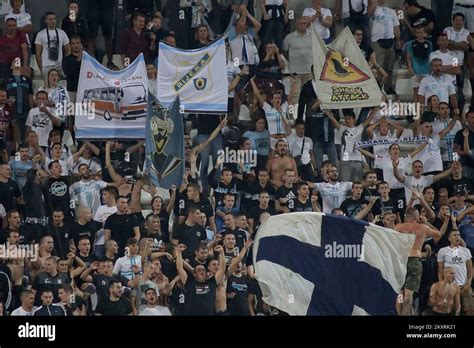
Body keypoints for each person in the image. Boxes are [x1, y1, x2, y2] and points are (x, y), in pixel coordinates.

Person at [395, 208, 441, 316]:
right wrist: (425, 222)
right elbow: (438, 233)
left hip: (401, 261)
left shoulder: (398, 227)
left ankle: (400, 313)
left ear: (406, 217)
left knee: (401, 292)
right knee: (409, 293)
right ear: (417, 217)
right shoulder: (423, 227)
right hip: (414, 260)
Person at [324, 108, 376, 182]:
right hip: (346, 161)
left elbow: (370, 117)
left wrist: (376, 108)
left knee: (357, 183)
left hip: (358, 160)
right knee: (346, 183)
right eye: (346, 119)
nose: (347, 120)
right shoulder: (342, 128)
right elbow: (332, 119)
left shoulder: (359, 128)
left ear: (354, 120)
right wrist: (326, 110)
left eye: (349, 118)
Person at [176, 243, 226, 316]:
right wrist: (179, 252)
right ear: (194, 274)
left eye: (203, 269)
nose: (201, 270)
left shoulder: (212, 283)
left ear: (206, 274)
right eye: (198, 269)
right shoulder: (189, 283)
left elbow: (222, 269)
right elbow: (180, 269)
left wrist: (221, 252)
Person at [368, 0, 402, 94]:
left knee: (389, 68)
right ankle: (377, 87)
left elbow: (396, 26)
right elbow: (370, 14)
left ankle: (389, 87)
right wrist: (374, 2)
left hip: (390, 42)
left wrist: (398, 39)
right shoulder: (375, 10)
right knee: (378, 66)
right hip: (378, 42)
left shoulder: (391, 12)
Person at [437, 229, 474, 315]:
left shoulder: (466, 251)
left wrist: (468, 283)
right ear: (449, 238)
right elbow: (439, 271)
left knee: (470, 310)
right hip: (450, 286)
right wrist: (442, 284)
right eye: (455, 235)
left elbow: (470, 270)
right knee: (451, 311)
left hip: (464, 285)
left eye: (459, 235)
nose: (457, 236)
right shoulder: (443, 251)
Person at [281, 17, 312, 104]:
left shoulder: (312, 36)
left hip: (309, 71)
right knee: (295, 94)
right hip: (295, 71)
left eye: (304, 23)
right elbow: (284, 51)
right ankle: (293, 114)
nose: (302, 25)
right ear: (296, 25)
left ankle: (307, 115)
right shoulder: (289, 37)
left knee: (308, 94)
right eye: (300, 24)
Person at [35, 11, 71, 78]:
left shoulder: (62, 33)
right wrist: (41, 68)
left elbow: (68, 50)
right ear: (46, 21)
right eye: (50, 19)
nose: (53, 21)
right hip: (46, 66)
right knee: (48, 87)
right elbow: (38, 53)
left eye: (54, 19)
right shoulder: (40, 34)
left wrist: (65, 64)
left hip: (59, 66)